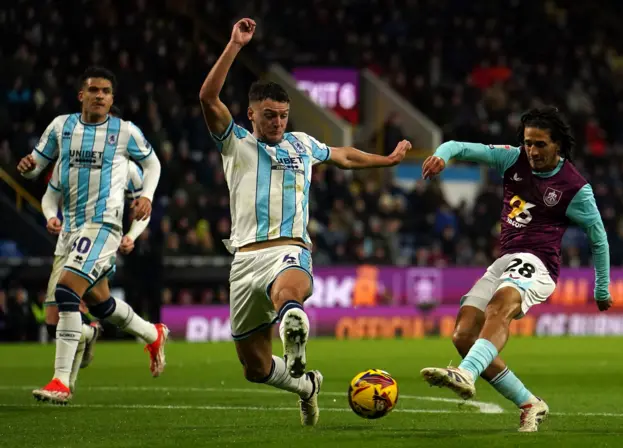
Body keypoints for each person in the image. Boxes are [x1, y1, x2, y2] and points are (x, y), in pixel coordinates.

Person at [199, 18, 411, 426]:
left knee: (289, 295)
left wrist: (386, 160)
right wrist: (233, 46)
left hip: (289, 249)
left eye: (282, 115)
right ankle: (306, 385)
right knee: (255, 369)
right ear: (251, 114)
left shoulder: (303, 144)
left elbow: (346, 156)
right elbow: (208, 97)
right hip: (244, 260)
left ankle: (292, 320)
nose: (277, 122)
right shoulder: (236, 143)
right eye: (269, 115)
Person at [420, 107, 612, 432]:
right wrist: (442, 156)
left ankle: (465, 373)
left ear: (558, 146)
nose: (532, 151)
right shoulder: (512, 159)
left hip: (539, 264)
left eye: (540, 144)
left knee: (499, 307)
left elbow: (599, 238)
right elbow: (460, 146)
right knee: (463, 334)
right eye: (528, 143)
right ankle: (529, 403)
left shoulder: (575, 187)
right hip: (505, 260)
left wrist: (602, 288)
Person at [17, 66, 167, 405]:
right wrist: (29, 169)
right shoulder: (61, 126)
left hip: (104, 226)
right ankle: (150, 333)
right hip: (70, 230)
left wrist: (146, 196)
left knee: (68, 290)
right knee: (97, 304)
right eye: (93, 90)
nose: (99, 95)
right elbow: (39, 168)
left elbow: (154, 164)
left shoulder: (125, 132)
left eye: (105, 91)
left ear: (112, 99)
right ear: (81, 95)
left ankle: (61, 382)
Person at [41, 157, 150, 394]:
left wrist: (132, 234)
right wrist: (51, 215)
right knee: (53, 323)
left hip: (100, 241)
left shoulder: (128, 168)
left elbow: (144, 207)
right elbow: (50, 196)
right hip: (66, 242)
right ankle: (90, 333)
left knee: (68, 295)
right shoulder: (69, 158)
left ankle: (60, 383)